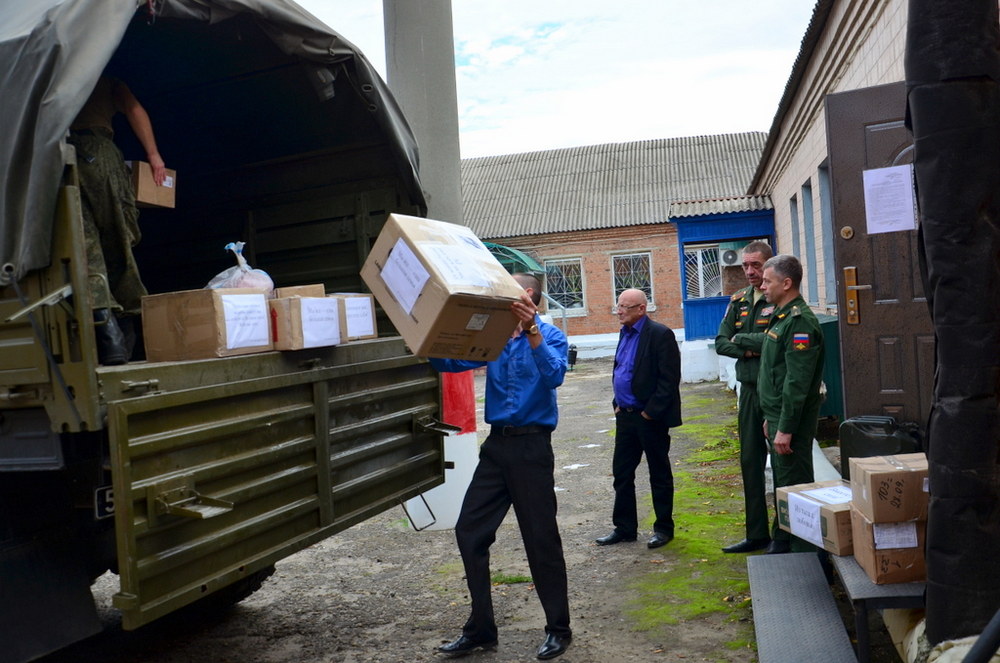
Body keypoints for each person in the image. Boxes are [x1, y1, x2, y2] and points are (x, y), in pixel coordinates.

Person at [429, 273, 572, 661]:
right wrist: (427, 330)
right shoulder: (492, 338)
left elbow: (556, 374)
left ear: (526, 295)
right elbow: (449, 359)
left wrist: (531, 332)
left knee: (540, 540)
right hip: (497, 446)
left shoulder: (550, 335)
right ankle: (481, 629)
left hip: (532, 449)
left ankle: (559, 629)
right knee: (470, 532)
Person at [68, 75, 167, 365]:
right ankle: (127, 341)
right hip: (97, 153)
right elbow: (134, 108)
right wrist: (154, 155)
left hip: (58, 159)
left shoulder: (49, 67)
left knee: (86, 251)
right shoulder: (104, 74)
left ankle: (111, 344)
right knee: (119, 244)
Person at [738, 254, 825, 554]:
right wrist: (771, 418)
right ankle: (787, 542)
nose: (762, 286)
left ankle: (807, 560)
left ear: (787, 284)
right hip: (776, 417)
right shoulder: (782, 317)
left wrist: (785, 428)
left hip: (790, 424)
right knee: (784, 487)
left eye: (768, 281)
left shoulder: (800, 324)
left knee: (796, 489)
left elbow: (797, 383)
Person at [596, 289, 682, 550]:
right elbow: (622, 369)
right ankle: (625, 528)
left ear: (641, 309)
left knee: (659, 474)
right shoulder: (624, 332)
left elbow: (669, 379)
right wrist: (617, 404)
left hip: (649, 419)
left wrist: (650, 412)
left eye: (624, 306)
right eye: (618, 305)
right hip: (625, 416)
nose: (619, 311)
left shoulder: (660, 334)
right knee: (622, 473)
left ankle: (663, 529)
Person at [715, 241, 775, 554]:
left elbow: (778, 343)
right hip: (749, 391)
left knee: (782, 462)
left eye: (756, 265)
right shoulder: (738, 300)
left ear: (770, 264)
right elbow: (721, 342)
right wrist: (753, 348)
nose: (750, 272)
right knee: (750, 460)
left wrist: (745, 343)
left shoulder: (778, 298)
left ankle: (787, 534)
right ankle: (756, 533)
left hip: (774, 390)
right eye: (745, 266)